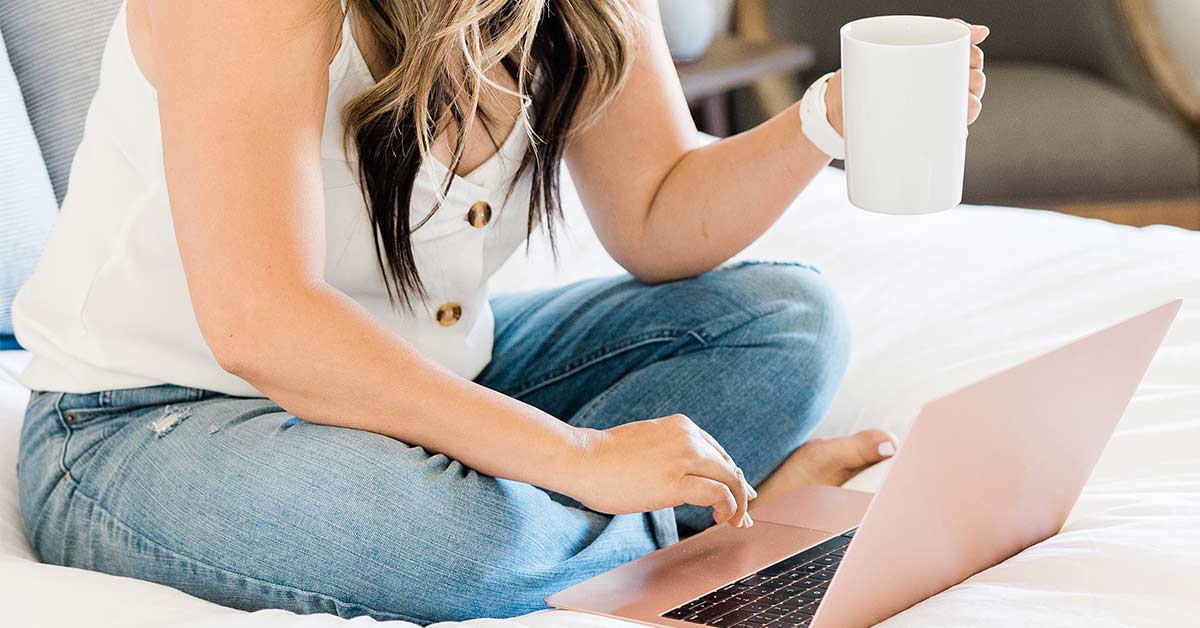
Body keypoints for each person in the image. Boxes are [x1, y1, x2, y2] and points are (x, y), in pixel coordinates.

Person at [14, 0, 989, 623]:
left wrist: (825, 120)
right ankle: (737, 530)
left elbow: (656, 217)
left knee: (788, 319)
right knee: (453, 539)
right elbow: (261, 322)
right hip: (153, 418)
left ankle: (612, 526)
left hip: (432, 377)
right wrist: (579, 457)